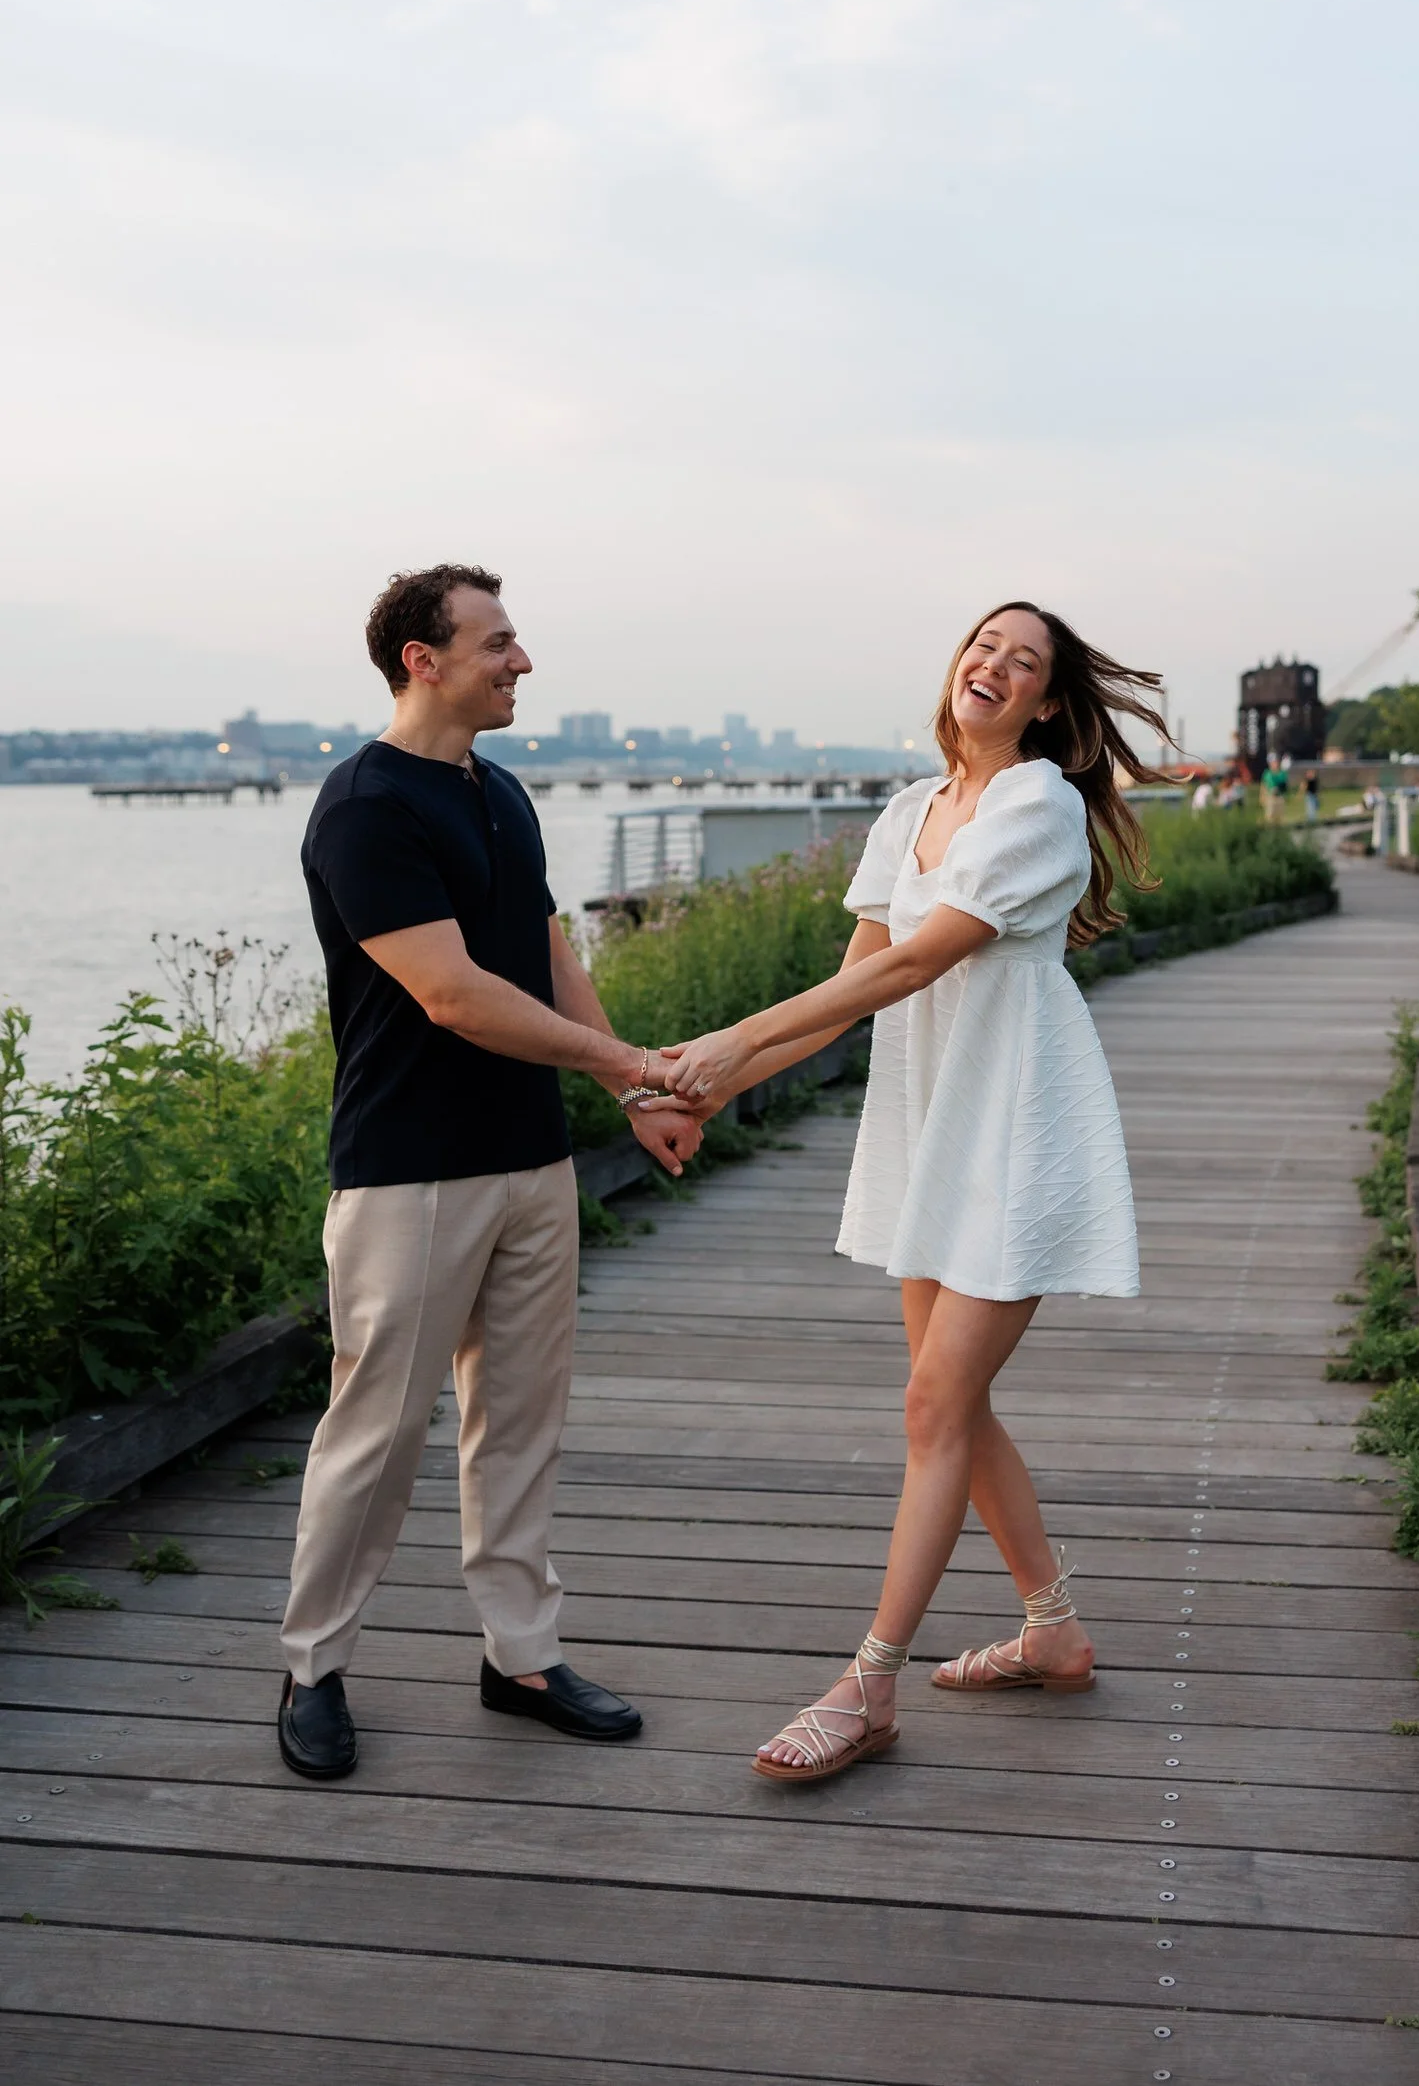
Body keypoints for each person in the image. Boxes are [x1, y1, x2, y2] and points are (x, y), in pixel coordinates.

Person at [661, 602, 1167, 1784]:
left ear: (1046, 701)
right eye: (981, 646)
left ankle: (869, 1684)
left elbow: (918, 959)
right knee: (951, 1402)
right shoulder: (907, 811)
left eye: (1023, 661)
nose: (992, 665)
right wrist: (714, 1092)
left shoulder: (1034, 802)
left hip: (1017, 1134)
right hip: (935, 1131)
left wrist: (719, 1047)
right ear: (956, 668)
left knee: (937, 1406)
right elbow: (854, 986)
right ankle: (1053, 1629)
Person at [277, 564, 702, 1782]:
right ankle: (313, 1664)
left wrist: (630, 1088)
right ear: (423, 656)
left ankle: (520, 1655)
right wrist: (628, 1057)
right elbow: (455, 995)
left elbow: (543, 948)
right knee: (375, 1429)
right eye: (499, 641)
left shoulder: (500, 791)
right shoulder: (365, 805)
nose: (521, 661)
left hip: (529, 1162)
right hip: (408, 1171)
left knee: (518, 1423)